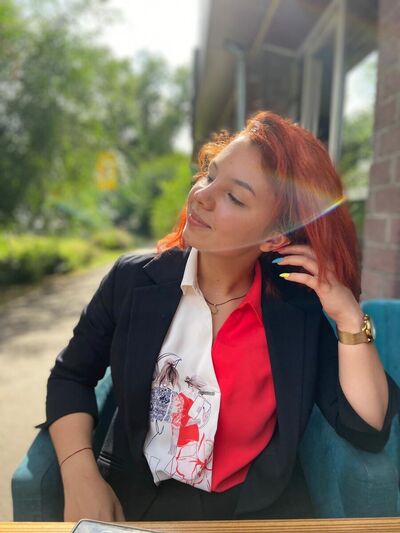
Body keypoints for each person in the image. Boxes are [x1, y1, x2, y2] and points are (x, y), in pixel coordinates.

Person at [36, 110, 400, 523]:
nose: (201, 196)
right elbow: (71, 376)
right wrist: (80, 475)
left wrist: (349, 317)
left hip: (247, 512)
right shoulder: (132, 282)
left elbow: (368, 427)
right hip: (132, 499)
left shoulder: (294, 310)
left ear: (274, 237)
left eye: (235, 197)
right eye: (210, 176)